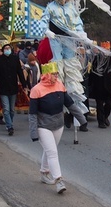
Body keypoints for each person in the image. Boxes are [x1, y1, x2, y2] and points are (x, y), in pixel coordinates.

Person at [29, 62, 87, 194]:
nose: (56, 76)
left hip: (58, 124)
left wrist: (82, 119)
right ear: (47, 75)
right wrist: (33, 132)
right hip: (43, 125)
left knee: (50, 150)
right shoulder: (36, 90)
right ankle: (59, 180)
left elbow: (70, 105)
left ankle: (44, 172)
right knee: (52, 153)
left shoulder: (60, 85)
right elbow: (32, 114)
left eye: (57, 74)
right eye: (54, 74)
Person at [0, 43, 29, 136]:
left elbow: (19, 72)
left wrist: (24, 84)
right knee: (6, 108)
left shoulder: (15, 58)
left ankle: (10, 122)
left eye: (9, 48)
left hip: (13, 87)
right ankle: (9, 126)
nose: (7, 50)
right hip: (3, 87)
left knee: (12, 109)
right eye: (5, 48)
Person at [88, 52, 111, 128]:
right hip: (98, 85)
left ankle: (105, 117)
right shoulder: (97, 59)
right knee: (99, 104)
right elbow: (92, 72)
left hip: (109, 86)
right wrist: (90, 84)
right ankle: (101, 122)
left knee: (109, 104)